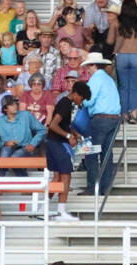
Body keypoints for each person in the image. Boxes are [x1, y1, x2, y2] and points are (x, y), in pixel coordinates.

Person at [45, 80, 88, 221]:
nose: (81, 102)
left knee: (56, 177)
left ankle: (42, 207)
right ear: (75, 93)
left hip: (52, 142)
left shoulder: (65, 102)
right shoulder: (66, 104)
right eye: (81, 98)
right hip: (58, 143)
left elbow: (62, 125)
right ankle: (61, 212)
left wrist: (74, 132)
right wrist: (69, 136)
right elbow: (53, 125)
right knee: (66, 176)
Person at [78, 51, 119, 196]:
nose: (87, 69)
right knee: (107, 155)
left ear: (93, 66)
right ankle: (105, 187)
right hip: (114, 119)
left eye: (89, 66)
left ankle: (92, 187)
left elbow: (89, 100)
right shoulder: (109, 79)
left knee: (91, 153)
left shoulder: (95, 79)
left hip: (99, 119)